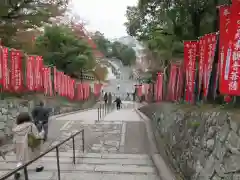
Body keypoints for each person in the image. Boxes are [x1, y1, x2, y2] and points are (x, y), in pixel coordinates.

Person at [12, 112, 45, 180]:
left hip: (19, 146)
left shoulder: (16, 127)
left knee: (20, 159)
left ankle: (18, 171)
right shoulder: (31, 125)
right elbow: (36, 136)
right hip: (30, 145)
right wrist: (42, 133)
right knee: (37, 154)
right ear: (28, 118)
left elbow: (14, 139)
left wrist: (14, 148)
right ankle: (39, 167)